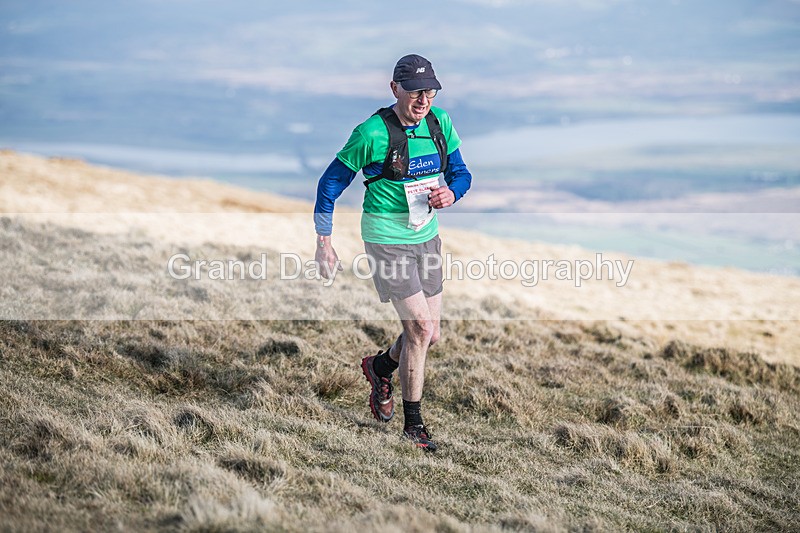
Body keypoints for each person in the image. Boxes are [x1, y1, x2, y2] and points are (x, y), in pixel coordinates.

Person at [314, 54, 473, 452]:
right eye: (416, 92)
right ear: (395, 89)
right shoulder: (371, 133)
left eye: (430, 92)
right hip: (385, 238)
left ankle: (380, 366)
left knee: (431, 335)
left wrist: (452, 193)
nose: (424, 100)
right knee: (418, 328)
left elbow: (461, 173)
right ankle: (413, 427)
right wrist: (324, 242)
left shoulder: (440, 123)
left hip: (426, 236)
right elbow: (330, 184)